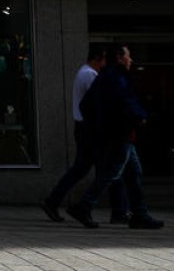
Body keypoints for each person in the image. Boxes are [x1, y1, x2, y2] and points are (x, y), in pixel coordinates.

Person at [65, 45, 165, 230]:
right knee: (112, 173)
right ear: (119, 57)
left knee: (133, 172)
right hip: (119, 134)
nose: (131, 60)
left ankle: (139, 214)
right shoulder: (115, 78)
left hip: (118, 134)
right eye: (128, 56)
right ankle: (84, 205)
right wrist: (139, 117)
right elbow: (124, 102)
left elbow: (87, 105)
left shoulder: (104, 77)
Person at [40, 45, 128, 223]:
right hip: (90, 130)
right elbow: (98, 101)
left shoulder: (84, 72)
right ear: (97, 58)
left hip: (85, 129)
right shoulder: (89, 75)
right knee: (109, 169)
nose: (105, 64)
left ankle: (54, 201)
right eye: (103, 60)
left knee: (84, 169)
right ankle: (114, 210)